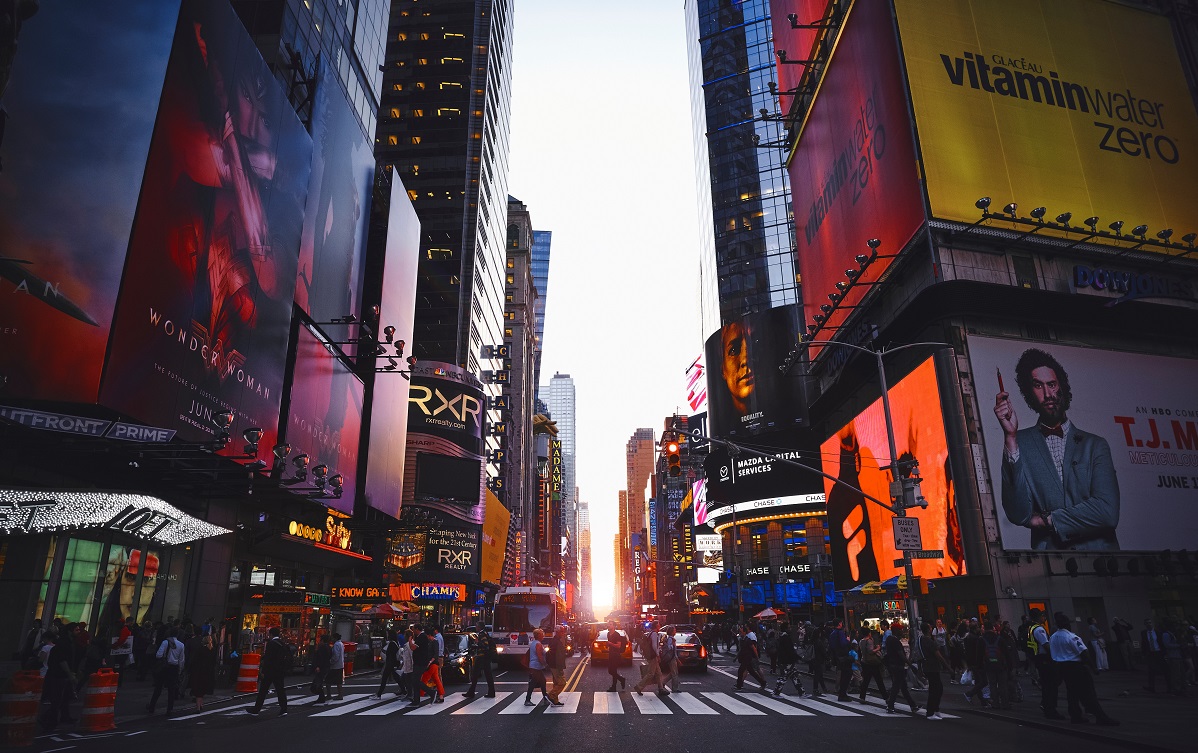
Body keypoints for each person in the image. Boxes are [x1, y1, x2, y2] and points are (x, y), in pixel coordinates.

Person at [995, 348, 1120, 550]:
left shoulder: (1095, 445)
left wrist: (1048, 520)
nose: (1047, 394)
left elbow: (1107, 513)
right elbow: (1019, 514)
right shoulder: (1019, 442)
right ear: (1029, 393)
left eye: (1052, 384)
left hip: (1102, 561)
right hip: (1052, 562)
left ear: (1062, 386)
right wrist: (1010, 436)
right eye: (1038, 386)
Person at [1049, 612, 1117, 726]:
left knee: (1072, 693)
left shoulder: (1053, 637)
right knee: (1088, 691)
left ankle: (1075, 715)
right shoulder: (1072, 637)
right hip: (1076, 667)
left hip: (1062, 667)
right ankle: (1100, 716)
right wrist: (1093, 668)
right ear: (1067, 624)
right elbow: (1084, 653)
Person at [246, 627, 288, 716]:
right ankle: (284, 709)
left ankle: (256, 709)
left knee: (263, 690)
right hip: (279, 671)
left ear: (271, 634)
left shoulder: (271, 644)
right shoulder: (282, 644)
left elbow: (268, 659)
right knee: (280, 690)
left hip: (270, 671)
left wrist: (263, 671)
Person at [1029, 609, 1063, 719]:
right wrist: (1055, 657)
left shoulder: (1031, 628)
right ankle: (1050, 708)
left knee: (1048, 684)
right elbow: (1046, 645)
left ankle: (1046, 705)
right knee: (1051, 684)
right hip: (1045, 659)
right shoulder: (1039, 629)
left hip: (1039, 658)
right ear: (1038, 616)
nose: (1044, 618)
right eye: (1043, 616)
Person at [39, 631, 75, 732]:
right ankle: (49, 720)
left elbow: (41, 660)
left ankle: (49, 719)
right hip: (58, 675)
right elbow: (62, 661)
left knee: (57, 699)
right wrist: (69, 674)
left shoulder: (54, 647)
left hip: (52, 674)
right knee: (57, 699)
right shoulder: (61, 647)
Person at [146, 627, 185, 715]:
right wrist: (180, 670)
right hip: (173, 668)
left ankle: (152, 706)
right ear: (178, 634)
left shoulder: (165, 642)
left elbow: (158, 655)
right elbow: (181, 660)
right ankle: (169, 709)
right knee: (171, 689)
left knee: (158, 688)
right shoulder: (181, 645)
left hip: (163, 667)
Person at [883, 625, 920, 715]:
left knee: (903, 686)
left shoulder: (889, 639)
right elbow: (901, 654)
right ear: (896, 630)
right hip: (898, 665)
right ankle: (890, 705)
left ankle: (913, 705)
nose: (902, 632)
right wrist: (910, 665)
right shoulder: (895, 641)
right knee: (897, 686)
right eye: (900, 630)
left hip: (892, 665)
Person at [919, 621, 948, 720]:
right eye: (930, 627)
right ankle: (931, 712)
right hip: (932, 667)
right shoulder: (929, 641)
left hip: (928, 666)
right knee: (936, 689)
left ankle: (935, 709)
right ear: (928, 630)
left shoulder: (922, 640)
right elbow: (938, 655)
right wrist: (947, 666)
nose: (931, 629)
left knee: (935, 688)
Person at [633, 623, 668, 696]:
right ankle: (639, 686)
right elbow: (654, 646)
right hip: (653, 656)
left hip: (651, 655)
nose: (660, 626)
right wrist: (657, 655)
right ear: (656, 626)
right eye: (658, 625)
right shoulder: (654, 634)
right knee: (651, 673)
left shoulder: (650, 633)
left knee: (658, 673)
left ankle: (661, 689)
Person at [773, 623, 805, 697]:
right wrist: (798, 657)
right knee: (784, 677)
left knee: (794, 676)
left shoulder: (782, 637)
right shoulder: (786, 638)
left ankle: (802, 692)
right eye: (789, 627)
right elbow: (789, 650)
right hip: (787, 661)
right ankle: (776, 692)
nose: (790, 629)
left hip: (786, 660)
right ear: (785, 629)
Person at [463, 625, 496, 698]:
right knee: (488, 675)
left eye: (477, 626)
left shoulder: (482, 634)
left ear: (479, 627)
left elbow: (485, 645)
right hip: (485, 657)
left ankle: (471, 692)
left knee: (475, 675)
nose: (476, 627)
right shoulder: (485, 633)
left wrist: (477, 644)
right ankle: (491, 692)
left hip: (481, 657)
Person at [734, 624, 767, 693]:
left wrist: (757, 657)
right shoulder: (742, 640)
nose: (740, 633)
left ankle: (739, 685)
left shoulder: (748, 640)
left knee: (740, 670)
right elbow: (741, 650)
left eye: (741, 632)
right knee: (752, 672)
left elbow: (754, 648)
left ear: (744, 632)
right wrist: (736, 657)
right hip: (744, 658)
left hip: (747, 658)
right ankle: (763, 682)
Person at [857, 626, 886, 701]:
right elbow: (870, 651)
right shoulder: (869, 641)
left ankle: (862, 696)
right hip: (872, 663)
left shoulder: (861, 641)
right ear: (869, 633)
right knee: (879, 680)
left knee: (866, 680)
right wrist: (878, 648)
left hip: (864, 661)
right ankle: (886, 697)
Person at [189, 635, 216, 712]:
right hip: (209, 672)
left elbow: (195, 660)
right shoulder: (212, 650)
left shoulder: (200, 649)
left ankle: (198, 707)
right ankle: (201, 704)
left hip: (199, 672)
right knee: (203, 689)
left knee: (198, 690)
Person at [407, 627, 433, 707]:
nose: (413, 632)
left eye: (414, 630)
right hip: (419, 662)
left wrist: (410, 641)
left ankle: (431, 692)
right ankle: (416, 700)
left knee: (415, 680)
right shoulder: (421, 637)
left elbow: (413, 648)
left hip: (420, 663)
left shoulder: (422, 637)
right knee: (415, 681)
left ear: (417, 629)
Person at [525, 628, 551, 706]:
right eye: (542, 634)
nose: (543, 636)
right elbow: (540, 656)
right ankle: (528, 700)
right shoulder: (538, 644)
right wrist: (545, 665)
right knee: (534, 683)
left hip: (535, 666)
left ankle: (545, 699)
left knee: (542, 681)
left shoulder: (534, 643)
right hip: (536, 666)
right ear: (538, 635)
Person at [829, 619, 853, 702]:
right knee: (847, 674)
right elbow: (843, 643)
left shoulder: (832, 633)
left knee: (842, 674)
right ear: (839, 624)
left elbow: (831, 646)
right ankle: (843, 693)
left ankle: (842, 693)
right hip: (843, 656)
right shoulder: (840, 632)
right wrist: (847, 640)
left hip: (837, 657)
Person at [374, 630, 403, 699]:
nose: (387, 635)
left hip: (390, 664)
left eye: (388, 634)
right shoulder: (395, 642)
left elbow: (390, 655)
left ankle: (379, 694)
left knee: (384, 679)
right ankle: (404, 691)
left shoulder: (391, 644)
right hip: (394, 663)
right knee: (397, 678)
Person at [420, 625, 445, 703]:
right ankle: (441, 696)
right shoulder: (432, 642)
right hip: (433, 663)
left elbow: (435, 654)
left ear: (429, 635)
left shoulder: (434, 642)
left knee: (424, 679)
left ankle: (420, 695)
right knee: (436, 680)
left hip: (432, 663)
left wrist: (430, 662)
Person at [1142, 618, 1168, 692]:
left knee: (1165, 669)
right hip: (1150, 653)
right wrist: (1144, 653)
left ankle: (1169, 686)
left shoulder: (1158, 632)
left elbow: (1162, 643)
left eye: (1150, 622)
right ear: (1145, 624)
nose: (1149, 624)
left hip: (1159, 652)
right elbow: (1144, 643)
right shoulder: (1143, 633)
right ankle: (1151, 687)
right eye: (1147, 623)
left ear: (1152, 623)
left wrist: (1165, 653)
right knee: (1151, 670)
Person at [544, 625, 568, 706]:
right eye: (562, 632)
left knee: (556, 683)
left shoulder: (556, 640)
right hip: (556, 665)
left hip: (554, 665)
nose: (563, 633)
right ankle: (551, 695)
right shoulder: (555, 641)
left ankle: (555, 701)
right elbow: (553, 654)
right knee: (562, 683)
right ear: (557, 632)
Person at [605, 621, 627, 691]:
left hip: (616, 655)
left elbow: (618, 646)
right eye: (608, 624)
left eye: (610, 624)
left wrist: (610, 644)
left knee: (613, 670)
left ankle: (614, 686)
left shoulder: (616, 635)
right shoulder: (608, 634)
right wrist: (607, 645)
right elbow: (610, 644)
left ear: (614, 626)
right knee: (611, 671)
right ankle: (621, 680)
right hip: (611, 654)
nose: (608, 625)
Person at [311, 635, 333, 704]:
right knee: (319, 681)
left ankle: (321, 697)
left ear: (322, 640)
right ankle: (321, 697)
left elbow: (320, 658)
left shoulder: (322, 648)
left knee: (318, 681)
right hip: (326, 666)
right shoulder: (329, 647)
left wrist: (318, 666)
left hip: (321, 667)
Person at [659, 625, 680, 694]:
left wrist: (677, 659)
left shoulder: (671, 638)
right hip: (671, 658)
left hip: (672, 657)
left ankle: (663, 682)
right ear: (671, 631)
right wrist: (673, 644)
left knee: (673, 672)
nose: (675, 631)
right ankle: (675, 688)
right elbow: (669, 648)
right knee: (674, 673)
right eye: (674, 630)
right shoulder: (670, 639)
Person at [328, 633, 345, 700]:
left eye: (332, 638)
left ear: (335, 638)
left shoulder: (336, 645)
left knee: (328, 680)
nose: (331, 639)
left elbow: (336, 655)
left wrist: (331, 661)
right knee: (339, 681)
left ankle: (329, 694)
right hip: (340, 664)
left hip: (335, 666)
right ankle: (340, 694)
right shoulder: (341, 644)